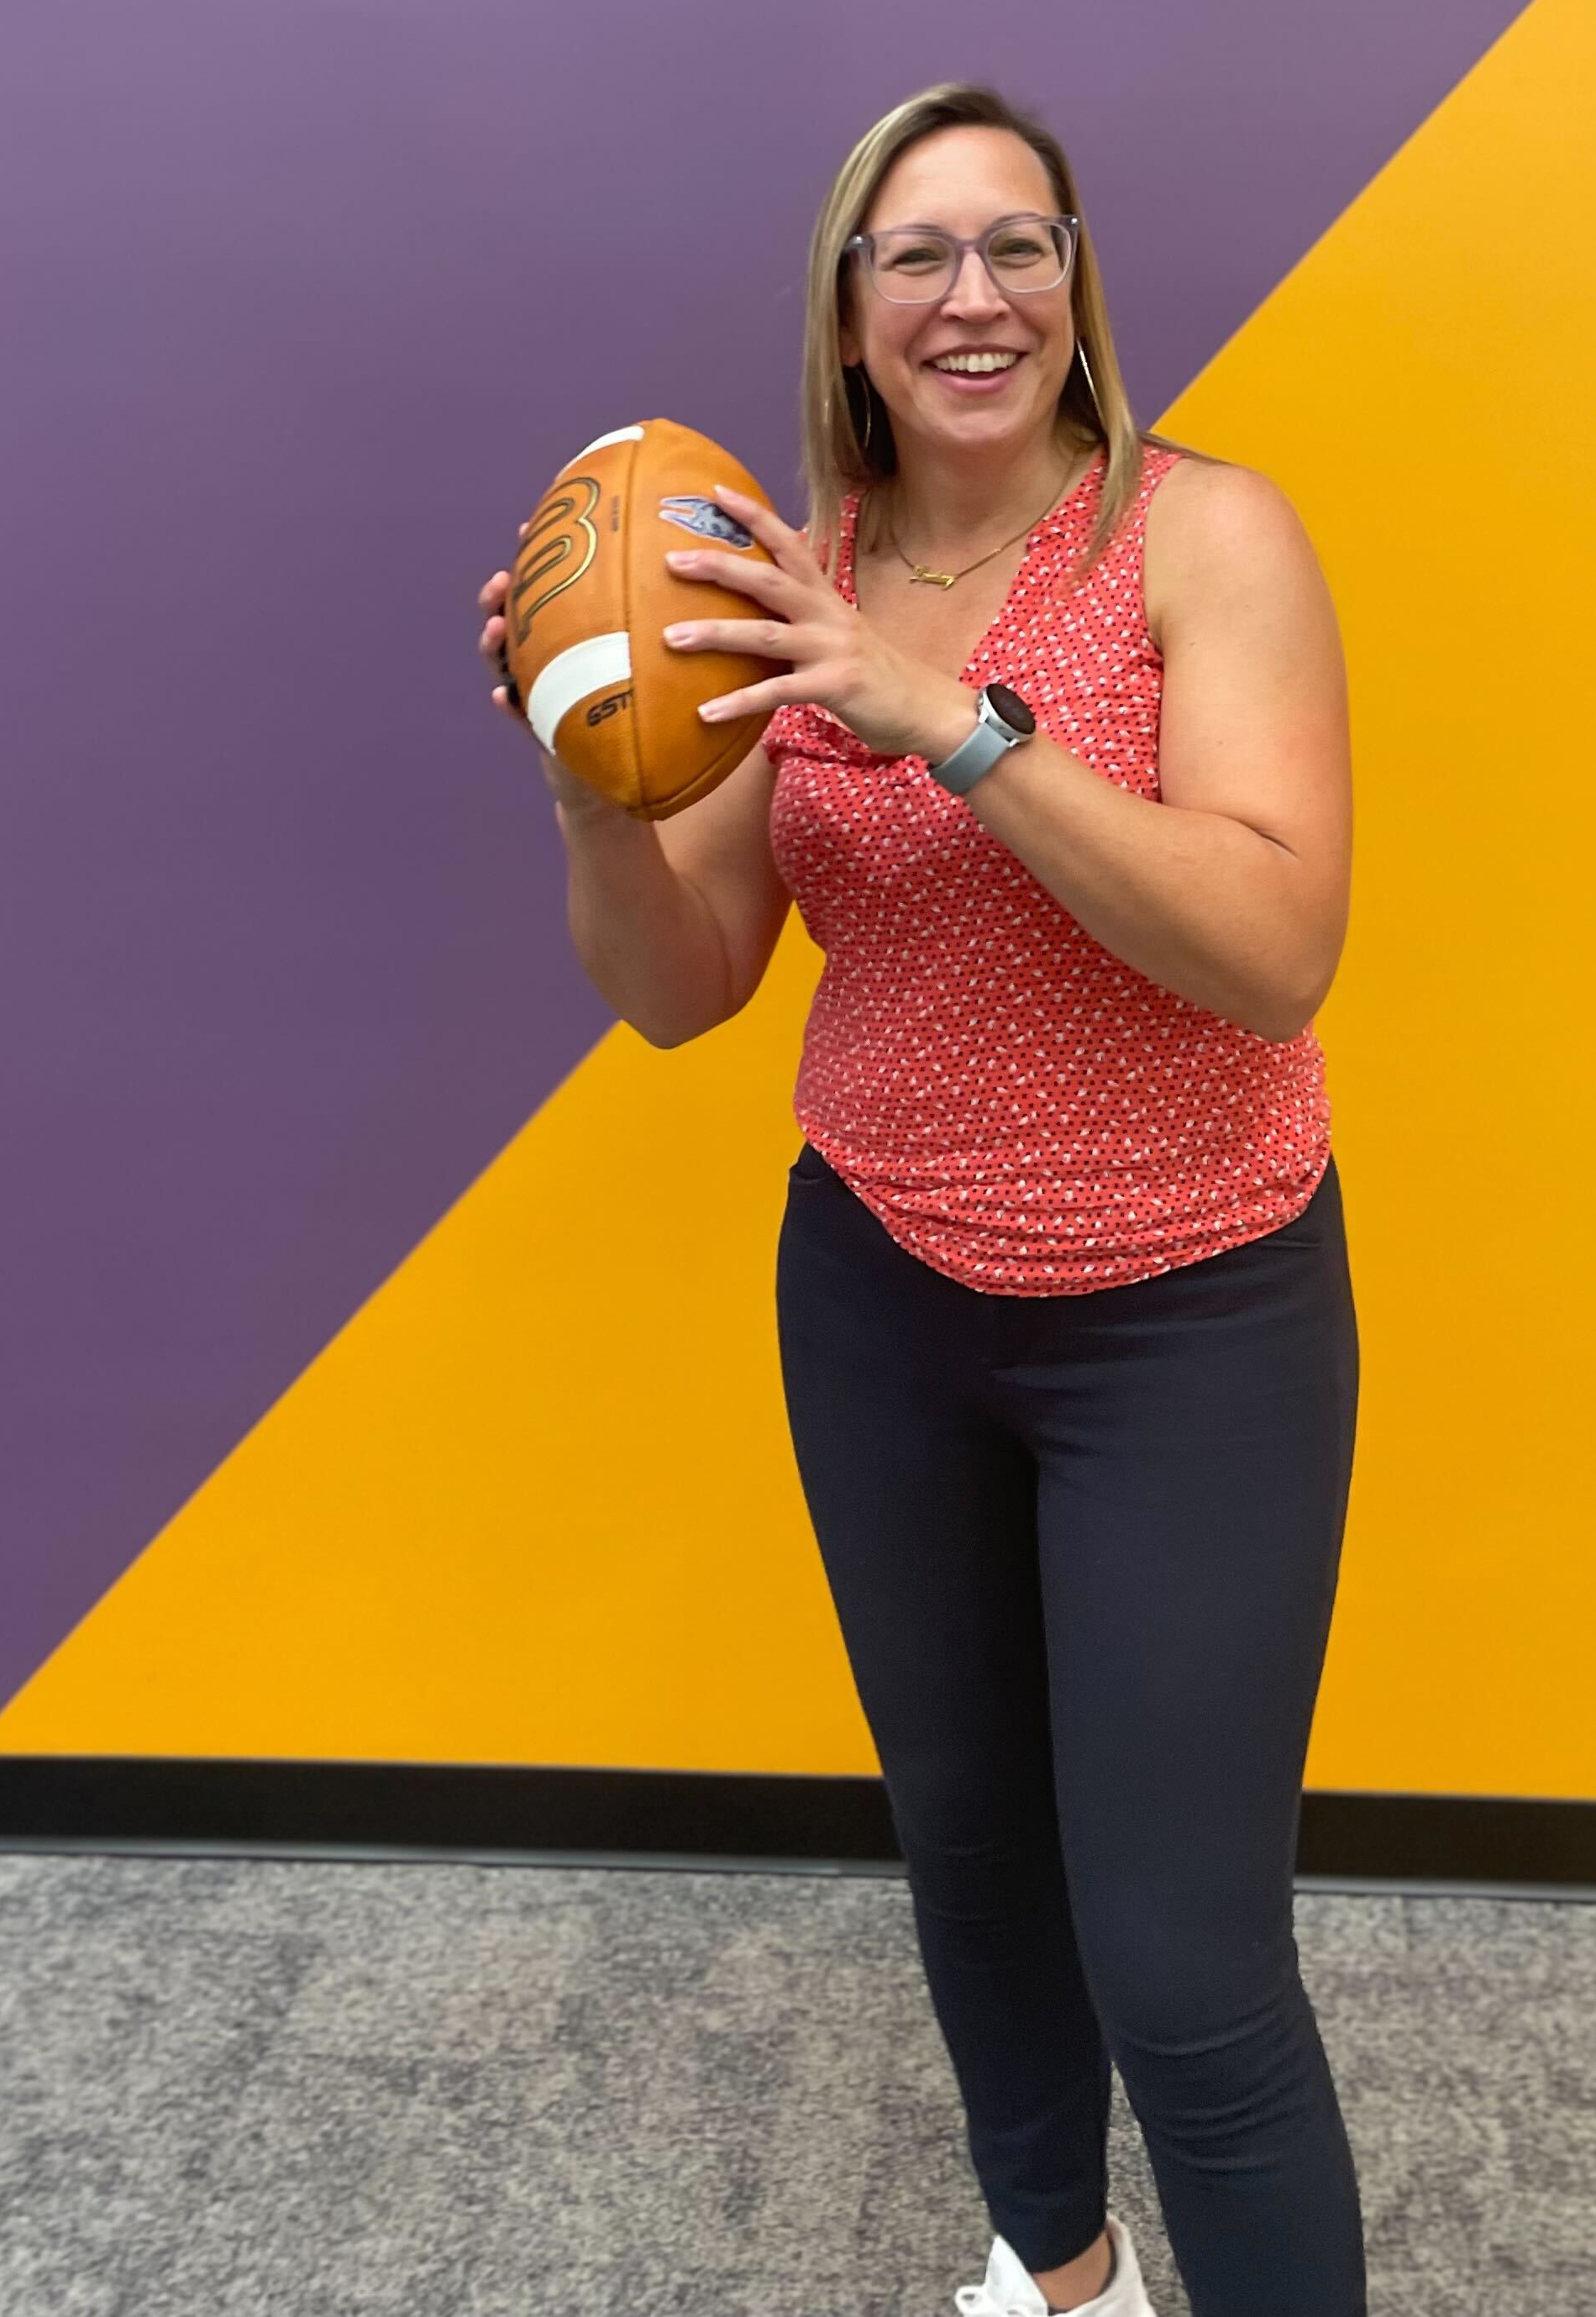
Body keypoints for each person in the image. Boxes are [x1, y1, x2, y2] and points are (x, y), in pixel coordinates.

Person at [477, 81, 1363, 2317]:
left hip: (1191, 1314)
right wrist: (595, 770)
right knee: (975, 1867)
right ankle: (1060, 2287)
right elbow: (684, 989)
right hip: (881, 1295)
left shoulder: (1200, 537)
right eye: (917, 254)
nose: (971, 295)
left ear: (1076, 287)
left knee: (1182, 1960)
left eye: (1015, 246)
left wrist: (950, 717)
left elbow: (1272, 950)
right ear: (851, 313)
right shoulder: (793, 573)